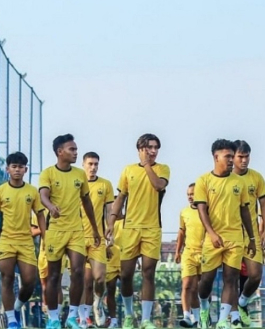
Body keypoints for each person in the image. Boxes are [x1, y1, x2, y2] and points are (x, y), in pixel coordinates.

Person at [106, 133, 170, 329]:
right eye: (149, 147)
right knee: (126, 275)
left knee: (148, 273)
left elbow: (158, 185)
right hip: (130, 228)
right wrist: (111, 222)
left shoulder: (162, 169)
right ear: (140, 149)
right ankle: (128, 315)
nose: (153, 151)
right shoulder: (128, 170)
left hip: (152, 228)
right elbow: (120, 198)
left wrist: (147, 165)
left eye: (156, 147)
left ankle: (146, 320)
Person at [38, 135, 100, 329]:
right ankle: (54, 318)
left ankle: (73, 316)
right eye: (72, 149)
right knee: (54, 276)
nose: (75, 152)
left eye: (76, 149)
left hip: (76, 231)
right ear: (60, 152)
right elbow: (43, 195)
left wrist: (96, 230)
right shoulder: (48, 173)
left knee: (78, 272)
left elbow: (87, 202)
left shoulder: (79, 175)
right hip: (55, 231)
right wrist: (51, 207)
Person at [195, 139, 257, 329]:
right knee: (206, 280)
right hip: (212, 239)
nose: (231, 160)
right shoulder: (204, 180)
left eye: (232, 156)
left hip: (235, 238)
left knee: (231, 279)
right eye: (227, 156)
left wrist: (252, 238)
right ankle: (204, 308)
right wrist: (212, 234)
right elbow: (202, 210)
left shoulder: (239, 182)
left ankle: (223, 320)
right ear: (216, 157)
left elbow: (245, 210)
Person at [0, 152, 46, 329]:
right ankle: (11, 320)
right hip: (6, 241)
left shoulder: (32, 191)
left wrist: (46, 237)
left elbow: (40, 215)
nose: (17, 170)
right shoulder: (0, 191)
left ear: (25, 169)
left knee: (29, 281)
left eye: (20, 167)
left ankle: (17, 307)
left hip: (26, 241)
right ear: (8, 169)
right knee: (7, 278)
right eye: (14, 166)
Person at [232, 140, 265, 327]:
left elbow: (264, 205)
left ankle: (242, 303)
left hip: (252, 234)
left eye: (246, 156)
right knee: (230, 277)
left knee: (255, 274)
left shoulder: (256, 178)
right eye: (240, 156)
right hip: (230, 233)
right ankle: (232, 317)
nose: (244, 160)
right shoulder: (225, 178)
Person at [80, 152, 115, 328]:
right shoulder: (76, 183)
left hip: (97, 239)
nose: (93, 167)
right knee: (84, 281)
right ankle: (84, 316)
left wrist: (111, 232)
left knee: (99, 278)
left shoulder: (105, 184)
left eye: (96, 164)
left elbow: (109, 210)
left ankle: (97, 302)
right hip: (78, 238)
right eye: (90, 164)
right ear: (83, 164)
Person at [176, 183, 205, 328]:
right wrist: (177, 251)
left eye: (193, 193)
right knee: (186, 285)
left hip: (205, 254)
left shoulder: (208, 211)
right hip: (189, 253)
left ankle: (198, 318)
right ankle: (186, 315)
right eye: (188, 194)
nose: (190, 197)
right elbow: (181, 232)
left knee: (196, 289)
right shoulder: (184, 212)